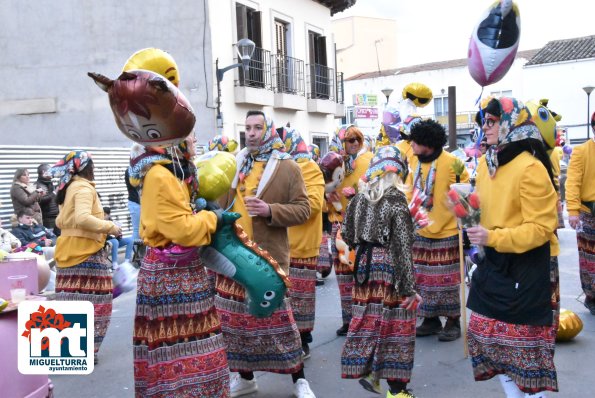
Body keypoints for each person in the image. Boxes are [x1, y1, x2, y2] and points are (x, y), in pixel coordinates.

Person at [217, 111, 315, 398]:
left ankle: (299, 380)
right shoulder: (236, 162)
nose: (251, 133)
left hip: (267, 257)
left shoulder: (288, 167)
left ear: (269, 130)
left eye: (257, 127)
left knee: (280, 322)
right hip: (233, 255)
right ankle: (245, 378)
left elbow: (304, 209)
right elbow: (222, 202)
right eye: (247, 127)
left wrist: (270, 210)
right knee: (235, 324)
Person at [467, 97, 559, 396]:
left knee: (527, 356)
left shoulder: (530, 168)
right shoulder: (485, 163)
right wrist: (466, 212)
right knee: (494, 348)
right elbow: (482, 208)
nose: (486, 126)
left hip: (528, 268)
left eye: (492, 121)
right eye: (484, 120)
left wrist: (492, 237)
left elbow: (542, 229)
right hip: (494, 263)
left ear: (510, 123)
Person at [130, 135, 230, 397]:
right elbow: (183, 230)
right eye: (191, 138)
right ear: (176, 143)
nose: (195, 143)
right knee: (176, 352)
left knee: (196, 347)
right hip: (170, 277)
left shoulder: (172, 172)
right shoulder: (160, 176)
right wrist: (212, 218)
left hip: (183, 271)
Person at [341, 146, 421, 398]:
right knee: (397, 324)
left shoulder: (359, 199)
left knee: (368, 318)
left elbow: (346, 234)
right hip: (389, 267)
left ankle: (366, 370)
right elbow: (402, 248)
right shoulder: (396, 201)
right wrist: (409, 289)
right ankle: (398, 391)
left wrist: (364, 244)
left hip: (364, 267)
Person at [50, 150, 121, 364]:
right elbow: (82, 218)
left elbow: (63, 221)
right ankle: (87, 350)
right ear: (86, 168)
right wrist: (112, 227)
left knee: (70, 303)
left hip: (67, 251)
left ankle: (64, 349)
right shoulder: (82, 188)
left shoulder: (68, 188)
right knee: (98, 303)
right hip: (86, 253)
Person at [405, 119, 469, 342]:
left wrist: (459, 201)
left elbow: (466, 192)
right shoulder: (414, 162)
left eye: (416, 140)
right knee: (422, 280)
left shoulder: (452, 162)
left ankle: (453, 322)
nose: (411, 144)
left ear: (428, 143)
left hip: (447, 231)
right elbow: (408, 190)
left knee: (447, 282)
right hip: (420, 230)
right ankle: (430, 320)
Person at [279, 126, 325, 359]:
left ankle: (303, 340)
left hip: (303, 245)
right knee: (282, 298)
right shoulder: (277, 166)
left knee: (301, 299)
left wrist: (278, 205)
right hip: (279, 243)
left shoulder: (309, 167)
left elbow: (314, 204)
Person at [327, 125, 373, 336]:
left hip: (364, 226)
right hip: (339, 227)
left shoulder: (370, 160)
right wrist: (327, 197)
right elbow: (322, 192)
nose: (354, 143)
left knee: (363, 276)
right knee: (344, 278)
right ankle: (349, 320)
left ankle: (366, 320)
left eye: (357, 139)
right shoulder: (330, 165)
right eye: (349, 139)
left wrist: (359, 194)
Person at [566, 111, 595, 314]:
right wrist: (573, 210)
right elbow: (573, 181)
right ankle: (592, 296)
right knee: (589, 259)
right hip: (587, 213)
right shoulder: (582, 151)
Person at [35, 163, 60, 233]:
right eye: (50, 170)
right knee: (52, 238)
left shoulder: (49, 182)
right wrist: (54, 192)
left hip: (56, 215)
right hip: (48, 218)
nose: (52, 172)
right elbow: (41, 200)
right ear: (43, 172)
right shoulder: (39, 185)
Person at [125, 150, 141, 242]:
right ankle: (134, 252)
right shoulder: (130, 171)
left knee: (140, 229)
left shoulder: (132, 170)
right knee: (136, 229)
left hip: (135, 203)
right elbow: (136, 186)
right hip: (135, 203)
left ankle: (139, 253)